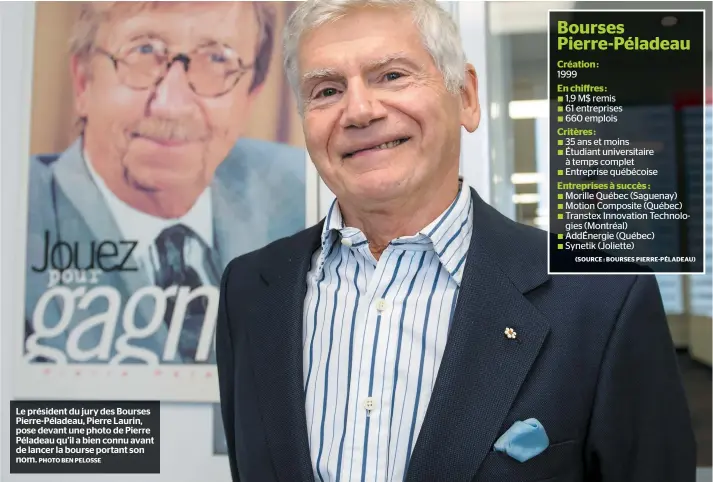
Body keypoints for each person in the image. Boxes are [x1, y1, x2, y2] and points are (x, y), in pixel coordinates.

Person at [216, 0, 696, 481]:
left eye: (392, 76)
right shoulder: (251, 289)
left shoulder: (602, 293)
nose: (359, 110)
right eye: (326, 90)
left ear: (465, 96)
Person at [23, 1, 305, 366]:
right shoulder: (17, 213)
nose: (172, 105)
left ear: (251, 95)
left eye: (218, 59)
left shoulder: (306, 192)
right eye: (143, 51)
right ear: (82, 81)